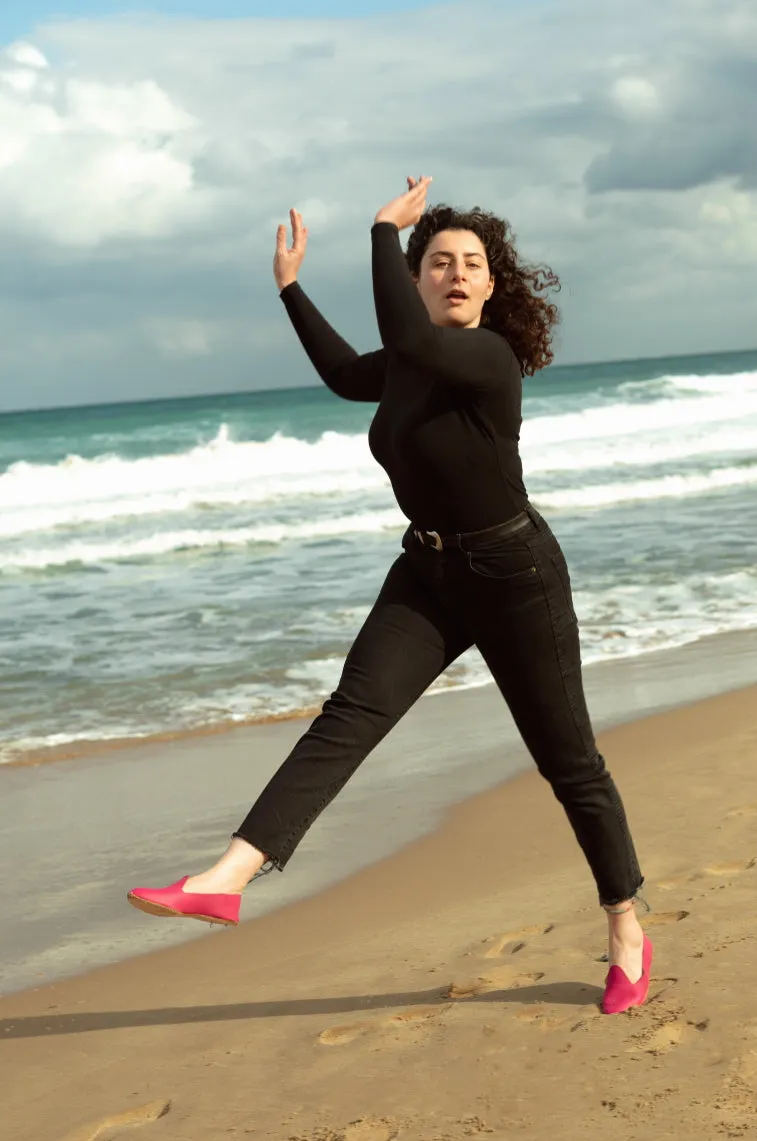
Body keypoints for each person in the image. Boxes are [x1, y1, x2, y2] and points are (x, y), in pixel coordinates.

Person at [127, 176, 652, 1015]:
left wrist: (381, 228)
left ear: (491, 285)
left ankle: (627, 927)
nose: (454, 273)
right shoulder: (409, 366)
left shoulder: (486, 358)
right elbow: (345, 375)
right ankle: (227, 876)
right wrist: (291, 289)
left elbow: (410, 347)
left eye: (471, 264)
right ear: (416, 282)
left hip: (514, 576)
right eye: (436, 261)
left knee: (570, 764)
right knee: (350, 715)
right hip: (429, 571)